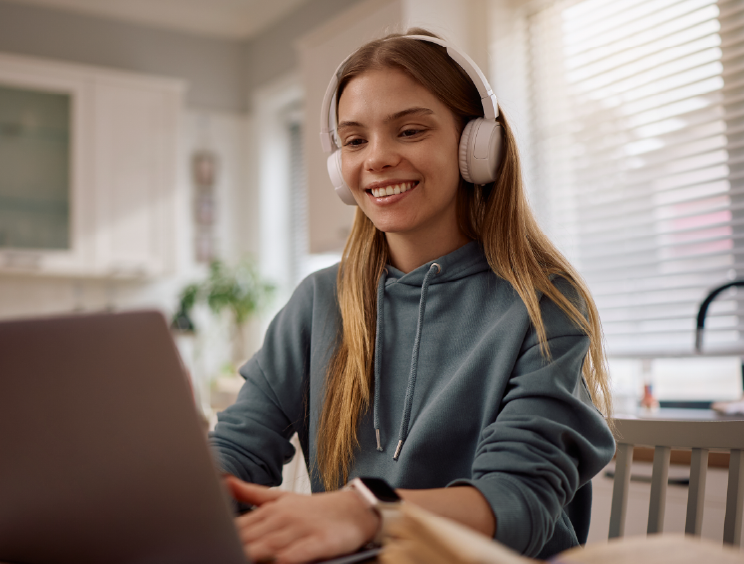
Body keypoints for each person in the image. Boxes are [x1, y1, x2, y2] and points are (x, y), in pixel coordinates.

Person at [209, 29, 616, 564]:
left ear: (477, 146)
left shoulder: (542, 304)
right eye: (354, 140)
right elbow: (239, 446)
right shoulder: (319, 301)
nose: (376, 159)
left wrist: (368, 512)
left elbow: (519, 503)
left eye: (410, 130)